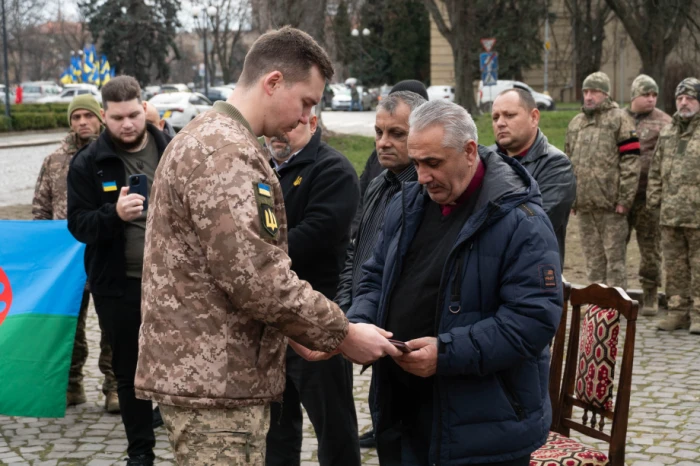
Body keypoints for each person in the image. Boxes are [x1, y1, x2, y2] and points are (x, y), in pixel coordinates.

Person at [133, 26, 401, 465]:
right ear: (273, 82)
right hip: (214, 385)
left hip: (217, 375)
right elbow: (254, 276)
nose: (305, 117)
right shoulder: (226, 152)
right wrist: (344, 333)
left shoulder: (215, 139)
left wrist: (295, 333)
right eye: (307, 102)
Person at [347, 99, 562, 465]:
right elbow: (373, 276)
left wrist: (447, 353)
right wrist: (360, 323)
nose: (423, 176)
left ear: (469, 151)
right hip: (403, 411)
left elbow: (532, 320)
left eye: (433, 163)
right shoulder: (406, 204)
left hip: (481, 427)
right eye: (416, 163)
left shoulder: (521, 220)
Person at [67, 76, 172, 466]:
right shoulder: (88, 163)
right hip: (119, 284)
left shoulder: (171, 148)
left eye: (132, 114)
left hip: (174, 282)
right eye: (117, 118)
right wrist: (113, 214)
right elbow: (78, 224)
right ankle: (141, 452)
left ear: (143, 107)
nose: (127, 124)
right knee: (128, 370)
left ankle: (183, 437)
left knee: (177, 364)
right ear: (104, 117)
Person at [263, 107, 361, 466]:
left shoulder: (333, 170)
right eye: (277, 124)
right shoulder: (259, 168)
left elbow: (319, 233)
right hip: (270, 322)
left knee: (333, 427)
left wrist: (255, 255)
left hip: (317, 321)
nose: (280, 133)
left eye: (292, 125)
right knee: (276, 429)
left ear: (314, 123)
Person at [336, 90, 426, 449]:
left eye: (396, 134)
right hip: (371, 330)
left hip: (407, 344)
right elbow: (355, 256)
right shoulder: (378, 184)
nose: (383, 143)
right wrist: (348, 315)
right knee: (387, 438)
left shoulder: (426, 192)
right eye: (378, 132)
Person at [32, 94, 119, 414]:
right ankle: (71, 384)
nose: (82, 122)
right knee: (68, 324)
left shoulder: (112, 155)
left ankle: (114, 386)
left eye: (88, 116)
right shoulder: (54, 160)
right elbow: (41, 209)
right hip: (65, 261)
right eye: (75, 117)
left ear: (100, 117)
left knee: (112, 325)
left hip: (107, 253)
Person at [565, 71, 640, 289]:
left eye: (594, 92)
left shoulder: (620, 119)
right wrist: (572, 198)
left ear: (606, 94)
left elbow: (631, 162)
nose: (588, 96)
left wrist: (624, 200)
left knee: (615, 264)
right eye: (586, 91)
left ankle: (617, 312)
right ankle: (597, 313)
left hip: (611, 208)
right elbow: (568, 162)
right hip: (585, 207)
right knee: (593, 264)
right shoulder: (576, 123)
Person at [491, 88, 576, 265]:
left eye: (509, 115)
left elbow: (534, 226)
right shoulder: (484, 160)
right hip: (488, 272)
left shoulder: (556, 165)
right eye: (495, 117)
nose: (500, 123)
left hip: (533, 274)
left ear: (534, 117)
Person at [647, 77, 700, 333]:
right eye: (680, 98)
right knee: (675, 267)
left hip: (697, 215)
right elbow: (656, 170)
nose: (684, 102)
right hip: (670, 214)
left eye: (690, 97)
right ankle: (678, 312)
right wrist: (654, 202)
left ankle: (699, 313)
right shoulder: (668, 132)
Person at [625, 75, 672, 316]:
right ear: (634, 96)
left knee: (650, 249)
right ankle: (616, 294)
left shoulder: (664, 123)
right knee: (614, 251)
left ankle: (651, 295)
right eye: (646, 95)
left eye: (654, 95)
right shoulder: (619, 119)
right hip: (620, 198)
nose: (651, 99)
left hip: (647, 198)